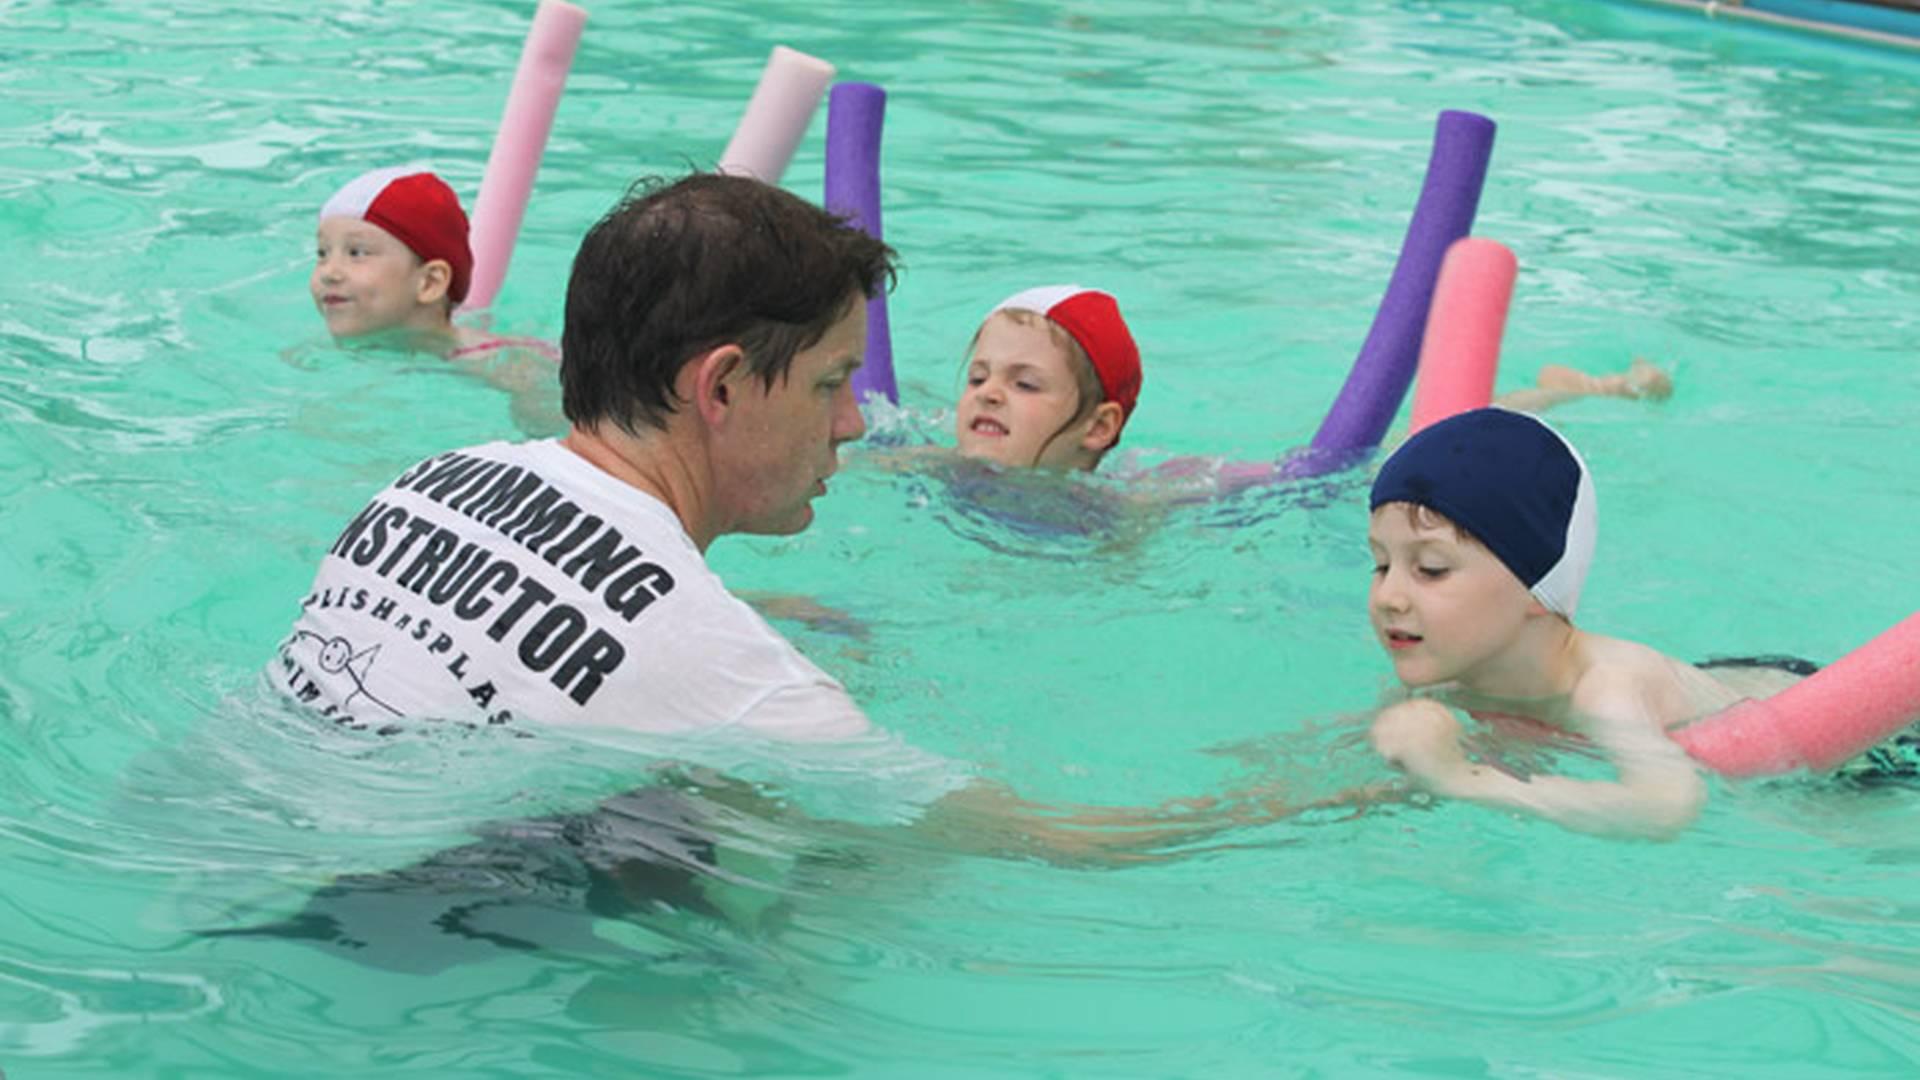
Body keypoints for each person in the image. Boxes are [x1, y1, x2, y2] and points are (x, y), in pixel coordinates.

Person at [275, 171, 1292, 866]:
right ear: (720, 389)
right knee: (850, 863)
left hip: (226, 855)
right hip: (370, 936)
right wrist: (1352, 782)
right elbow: (1065, 840)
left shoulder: (429, 480)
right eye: (831, 384)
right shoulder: (719, 664)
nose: (853, 424)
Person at [1360, 407, 1789, 840]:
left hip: (1795, 719)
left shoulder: (1605, 688)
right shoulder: (1441, 677)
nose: (1388, 597)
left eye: (1431, 569)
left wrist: (1460, 779)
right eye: (1380, 564)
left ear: (1535, 584)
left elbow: (1668, 806)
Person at [307, 165, 563, 432]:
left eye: (357, 252)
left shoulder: (500, 362)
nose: (329, 272)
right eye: (322, 253)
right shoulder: (319, 352)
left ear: (430, 282)